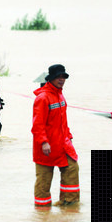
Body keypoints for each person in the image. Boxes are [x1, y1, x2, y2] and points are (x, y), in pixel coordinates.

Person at [31, 64, 79, 207]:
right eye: (58, 77)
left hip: (63, 145)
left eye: (63, 77)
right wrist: (44, 142)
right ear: (51, 79)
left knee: (72, 168)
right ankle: (42, 215)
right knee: (43, 182)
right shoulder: (43, 98)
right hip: (46, 147)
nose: (61, 79)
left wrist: (69, 137)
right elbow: (37, 125)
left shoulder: (60, 95)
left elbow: (63, 121)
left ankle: (69, 205)